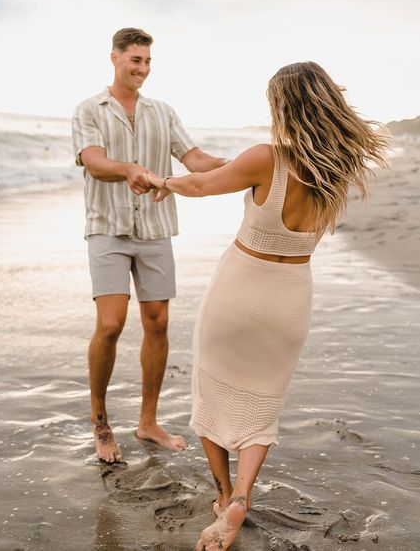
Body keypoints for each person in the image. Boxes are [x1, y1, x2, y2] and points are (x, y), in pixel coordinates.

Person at [147, 61, 390, 551]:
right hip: (291, 296)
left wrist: (162, 181)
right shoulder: (336, 170)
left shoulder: (267, 157)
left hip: (240, 287)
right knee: (262, 407)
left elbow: (199, 186)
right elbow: (225, 171)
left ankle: (221, 497)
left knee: (210, 391)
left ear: (284, 107)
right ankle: (243, 495)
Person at [72, 27, 228, 464]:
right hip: (107, 227)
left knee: (157, 323)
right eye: (134, 60)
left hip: (156, 228)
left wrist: (234, 164)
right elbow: (94, 162)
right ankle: (101, 422)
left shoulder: (163, 111)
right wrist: (128, 170)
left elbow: (193, 159)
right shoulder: (89, 109)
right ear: (114, 58)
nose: (142, 69)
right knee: (110, 324)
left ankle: (148, 421)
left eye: (147, 62)